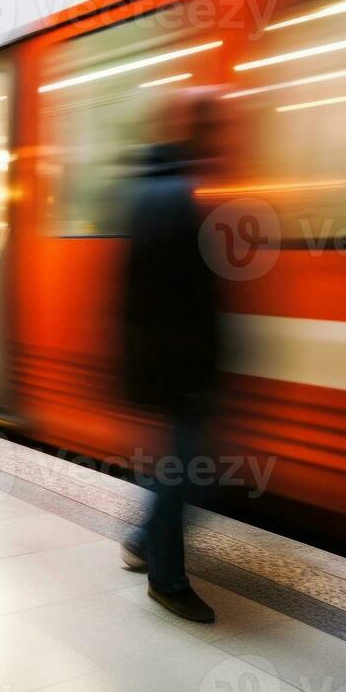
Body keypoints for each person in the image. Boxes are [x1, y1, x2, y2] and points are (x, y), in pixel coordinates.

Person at [117, 94, 223, 624]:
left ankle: (141, 540)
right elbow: (184, 300)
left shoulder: (155, 190)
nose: (221, 141)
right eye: (213, 129)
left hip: (164, 364)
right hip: (179, 367)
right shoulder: (176, 196)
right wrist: (207, 369)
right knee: (187, 471)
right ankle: (166, 578)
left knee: (183, 468)